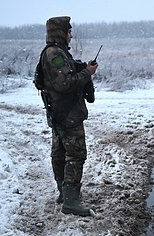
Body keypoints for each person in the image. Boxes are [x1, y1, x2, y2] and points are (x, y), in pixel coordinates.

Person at [40, 16, 98, 216]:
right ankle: (71, 201)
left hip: (60, 113)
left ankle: (64, 193)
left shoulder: (56, 53)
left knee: (60, 153)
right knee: (75, 155)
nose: (71, 35)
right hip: (67, 114)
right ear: (61, 33)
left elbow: (63, 76)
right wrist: (87, 73)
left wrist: (81, 67)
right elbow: (65, 84)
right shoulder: (55, 54)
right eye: (69, 31)